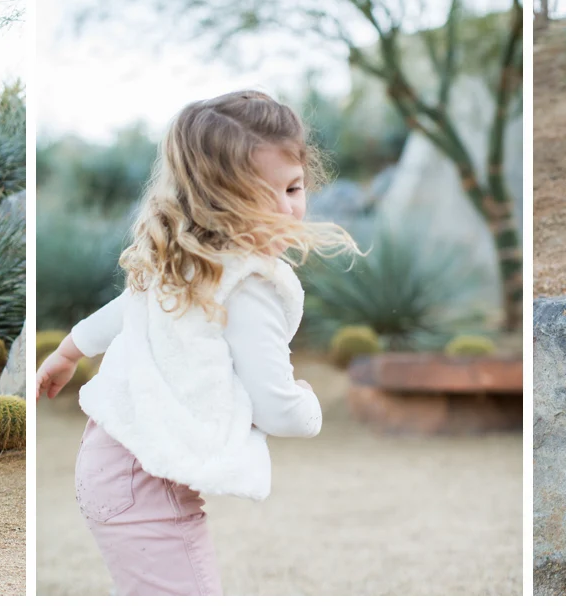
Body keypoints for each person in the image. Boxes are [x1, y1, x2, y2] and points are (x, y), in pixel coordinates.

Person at [35, 90, 361, 595]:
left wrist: (68, 351)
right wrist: (310, 403)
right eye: (258, 195)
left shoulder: (188, 263)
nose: (284, 208)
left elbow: (127, 308)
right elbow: (277, 408)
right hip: (145, 481)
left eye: (294, 188)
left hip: (112, 461)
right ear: (213, 199)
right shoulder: (248, 285)